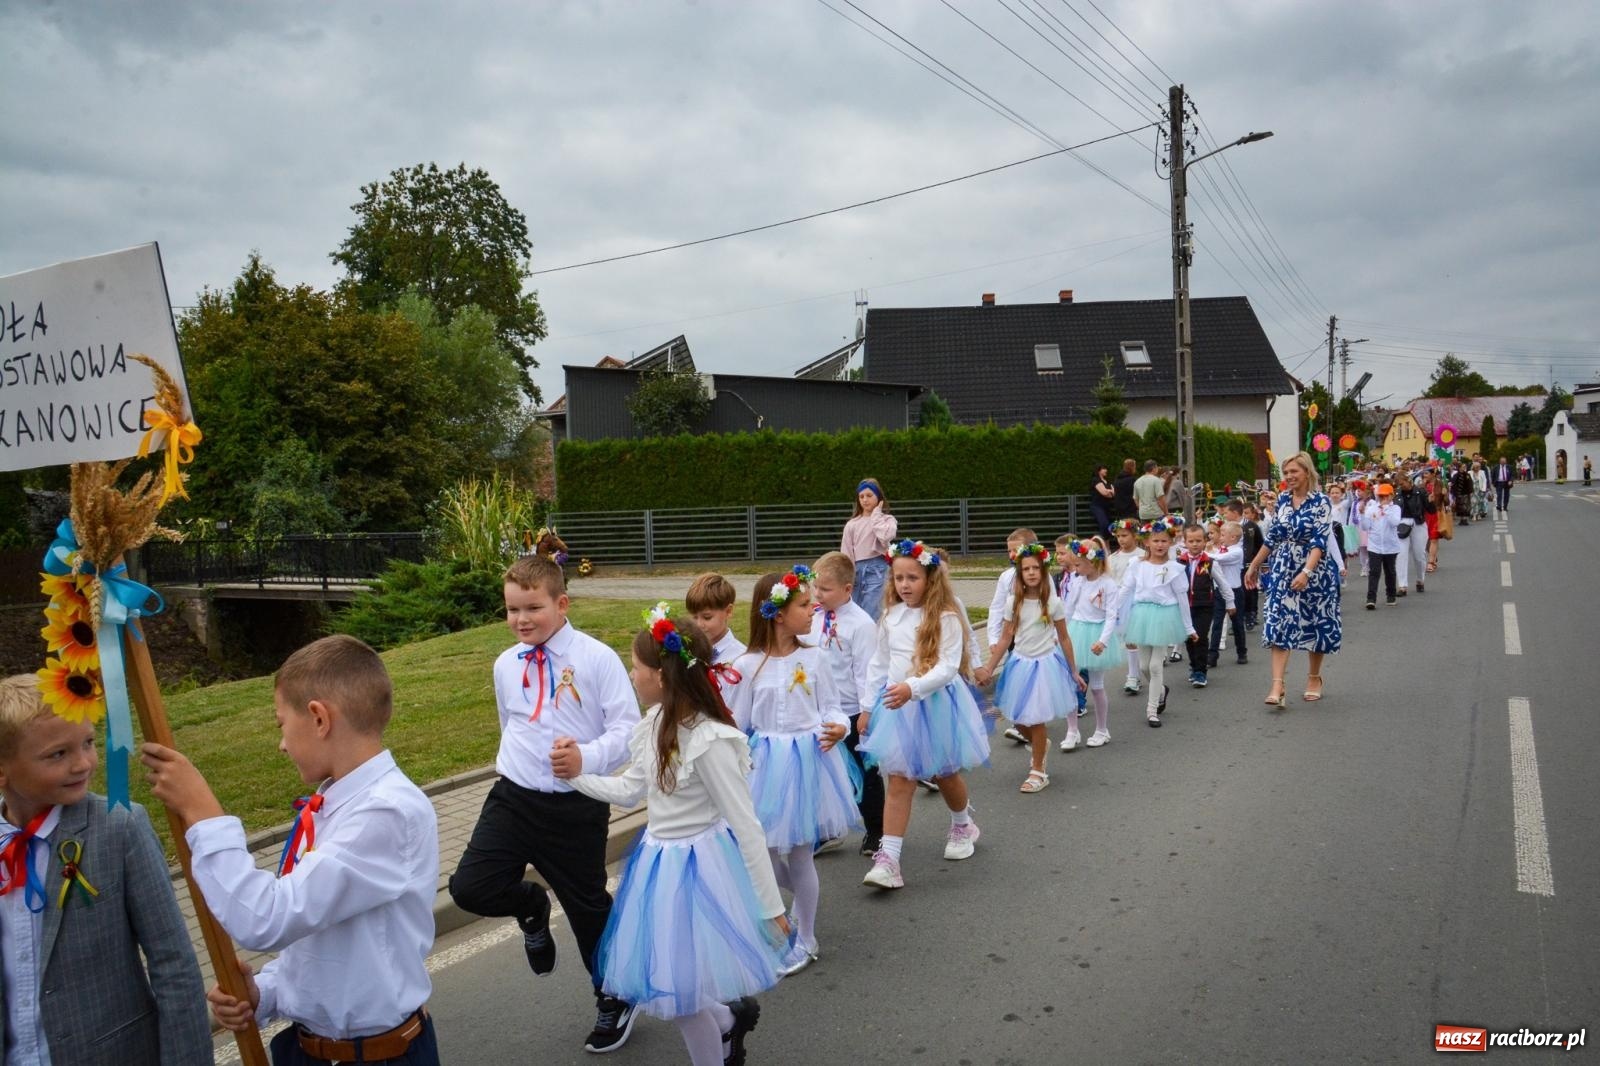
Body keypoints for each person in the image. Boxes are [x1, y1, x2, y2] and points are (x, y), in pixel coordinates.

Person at [142, 636, 441, 1065]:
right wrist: (265, 993)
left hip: (377, 1057)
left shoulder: (386, 812)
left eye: (281, 723)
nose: (281, 744)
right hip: (311, 1049)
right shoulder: (338, 805)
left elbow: (269, 919)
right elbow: (321, 939)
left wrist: (203, 814)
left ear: (319, 718)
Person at [571, 610, 785, 1066]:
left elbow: (747, 825)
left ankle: (721, 1038)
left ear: (661, 676)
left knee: (683, 1000)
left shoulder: (709, 740)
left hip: (701, 870)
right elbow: (631, 790)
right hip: (658, 867)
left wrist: (770, 907)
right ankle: (729, 1024)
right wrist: (577, 775)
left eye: (636, 666)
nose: (631, 673)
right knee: (676, 984)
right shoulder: (652, 725)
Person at [446, 554, 641, 1053]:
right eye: (512, 610)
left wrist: (586, 757)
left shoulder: (596, 658)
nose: (521, 620)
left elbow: (628, 730)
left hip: (575, 805)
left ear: (562, 603)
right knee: (470, 887)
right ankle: (531, 907)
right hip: (512, 798)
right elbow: (510, 722)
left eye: (532, 608)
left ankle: (614, 995)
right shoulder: (504, 663)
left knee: (587, 908)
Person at [1, 675, 210, 1065]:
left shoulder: (118, 826)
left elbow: (174, 963)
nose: (82, 763)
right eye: (57, 754)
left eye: (88, 743)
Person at [725, 567, 858, 975]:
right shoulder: (747, 665)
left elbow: (832, 706)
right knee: (760, 852)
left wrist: (842, 726)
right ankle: (797, 901)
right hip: (764, 760)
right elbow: (737, 721)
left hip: (808, 757)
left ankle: (807, 935)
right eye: (803, 604)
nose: (813, 606)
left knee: (800, 852)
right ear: (778, 614)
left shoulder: (815, 656)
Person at [858, 540, 990, 890]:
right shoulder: (890, 615)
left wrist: (912, 688)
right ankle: (889, 861)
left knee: (945, 773)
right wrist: (868, 705)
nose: (904, 585)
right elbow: (879, 663)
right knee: (899, 780)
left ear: (930, 578)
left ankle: (963, 824)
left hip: (935, 704)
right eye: (898, 578)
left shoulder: (946, 615)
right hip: (896, 707)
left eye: (912, 578)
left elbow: (947, 667)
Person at [974, 543, 1080, 793]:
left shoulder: (1053, 603)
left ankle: (1038, 771)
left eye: (1035, 568)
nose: (1031, 572)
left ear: (1043, 572)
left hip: (1044, 666)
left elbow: (1064, 638)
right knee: (1016, 718)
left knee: (1036, 717)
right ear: (1019, 574)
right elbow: (1005, 638)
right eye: (1026, 569)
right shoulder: (1013, 603)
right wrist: (989, 667)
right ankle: (1040, 744)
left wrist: (1073, 670)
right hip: (1020, 664)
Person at [1244, 451, 1342, 707]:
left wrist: (1306, 572)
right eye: (1286, 473)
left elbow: (1320, 540)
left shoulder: (1321, 501)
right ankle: (1278, 684)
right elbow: (1273, 536)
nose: (1289, 477)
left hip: (1315, 570)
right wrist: (1254, 564)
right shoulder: (1284, 501)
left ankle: (1314, 678)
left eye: (1293, 472)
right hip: (1284, 568)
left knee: (1316, 622)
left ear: (1307, 472)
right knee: (1278, 621)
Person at [809, 551, 883, 856]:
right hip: (821, 710)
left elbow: (866, 672)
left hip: (852, 710)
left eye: (825, 589)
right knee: (824, 774)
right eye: (816, 588)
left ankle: (876, 830)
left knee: (864, 771)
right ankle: (828, 829)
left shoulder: (861, 624)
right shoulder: (813, 616)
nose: (818, 594)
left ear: (847, 589)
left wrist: (866, 712)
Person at [1112, 517, 1196, 727]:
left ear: (1171, 542)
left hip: (1164, 616)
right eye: (1155, 541)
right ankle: (1160, 690)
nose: (1160, 545)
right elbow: (1126, 589)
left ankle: (1152, 710)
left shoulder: (1175, 568)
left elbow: (1182, 598)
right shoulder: (1137, 565)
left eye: (1164, 541)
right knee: (1143, 666)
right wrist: (1113, 611)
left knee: (1156, 665)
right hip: (1141, 615)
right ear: (1146, 542)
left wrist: (1188, 627)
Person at [1062, 537, 1121, 750]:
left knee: (1096, 686)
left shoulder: (1108, 584)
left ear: (1092, 561)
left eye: (1078, 564)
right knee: (1070, 682)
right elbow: (1068, 608)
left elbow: (1111, 615)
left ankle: (1102, 729)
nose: (1075, 569)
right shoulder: (1077, 581)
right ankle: (1072, 730)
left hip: (1096, 634)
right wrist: (1060, 635)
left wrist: (1103, 641)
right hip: (1076, 632)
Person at [988, 529, 1036, 746]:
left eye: (1016, 550)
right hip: (1013, 637)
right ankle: (1021, 723)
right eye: (1009, 551)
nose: (1011, 555)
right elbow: (996, 608)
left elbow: (1053, 608)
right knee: (1015, 681)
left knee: (1031, 683)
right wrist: (992, 637)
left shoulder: (1040, 576)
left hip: (1037, 639)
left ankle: (1029, 723)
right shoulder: (1006, 577)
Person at [1178, 524, 1230, 689]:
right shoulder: (1179, 562)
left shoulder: (1210, 562)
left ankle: (1201, 671)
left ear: (1204, 541)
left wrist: (1230, 602)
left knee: (1199, 637)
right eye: (1191, 541)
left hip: (1204, 605)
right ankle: (1193, 666)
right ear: (1184, 542)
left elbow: (1222, 583)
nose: (1195, 544)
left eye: (1198, 540)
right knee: (1188, 637)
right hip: (1184, 607)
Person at [840, 478, 898, 621]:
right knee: (854, 608)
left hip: (877, 569)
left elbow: (885, 536)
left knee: (871, 610)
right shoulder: (852, 524)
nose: (865, 500)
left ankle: (872, 639)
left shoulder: (887, 520)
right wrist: (847, 574)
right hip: (856, 571)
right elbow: (846, 553)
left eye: (869, 495)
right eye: (861, 496)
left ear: (878, 497)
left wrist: (876, 516)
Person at [1106, 519, 1146, 695]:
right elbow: (1109, 579)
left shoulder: (1143, 555)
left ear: (1134, 535)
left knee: (1135, 639)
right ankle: (1133, 675)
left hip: (1137, 600)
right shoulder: (1112, 558)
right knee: (1128, 639)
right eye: (1118, 536)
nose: (1121, 539)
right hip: (1119, 600)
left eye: (1125, 535)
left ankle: (1136, 674)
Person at [1208, 521, 1248, 668]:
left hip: (1235, 591)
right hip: (1220, 591)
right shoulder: (1222, 549)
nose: (1221, 537)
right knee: (1217, 623)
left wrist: (1201, 552)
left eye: (1223, 535)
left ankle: (1242, 651)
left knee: (1237, 623)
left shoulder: (1237, 551)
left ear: (1233, 537)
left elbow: (1218, 559)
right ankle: (1212, 655)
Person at [687, 573, 746, 665]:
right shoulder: (688, 651)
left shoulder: (741, 658)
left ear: (728, 611)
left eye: (707, 617)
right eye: (694, 617)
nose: (699, 624)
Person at [1359, 482, 1401, 608]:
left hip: (1390, 546)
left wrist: (1386, 509)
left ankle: (1391, 595)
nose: (1383, 499)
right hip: (1375, 546)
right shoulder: (1372, 508)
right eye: (1381, 496)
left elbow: (1395, 522)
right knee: (1374, 572)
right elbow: (1366, 527)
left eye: (1385, 496)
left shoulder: (1395, 509)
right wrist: (1362, 514)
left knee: (1390, 572)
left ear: (1391, 496)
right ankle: (1371, 598)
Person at [1088, 464, 1116, 535]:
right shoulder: (1095, 480)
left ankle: (1106, 545)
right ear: (1098, 471)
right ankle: (1103, 543)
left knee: (1109, 526)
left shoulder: (1108, 481)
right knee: (1104, 524)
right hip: (1097, 506)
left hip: (1107, 507)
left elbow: (1113, 494)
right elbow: (1104, 493)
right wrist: (1109, 491)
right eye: (1104, 469)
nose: (1106, 470)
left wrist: (1108, 492)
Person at [1110, 459, 1139, 524]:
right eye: (1134, 466)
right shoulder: (1132, 480)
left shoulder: (1117, 479)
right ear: (1132, 467)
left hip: (1119, 509)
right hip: (1130, 509)